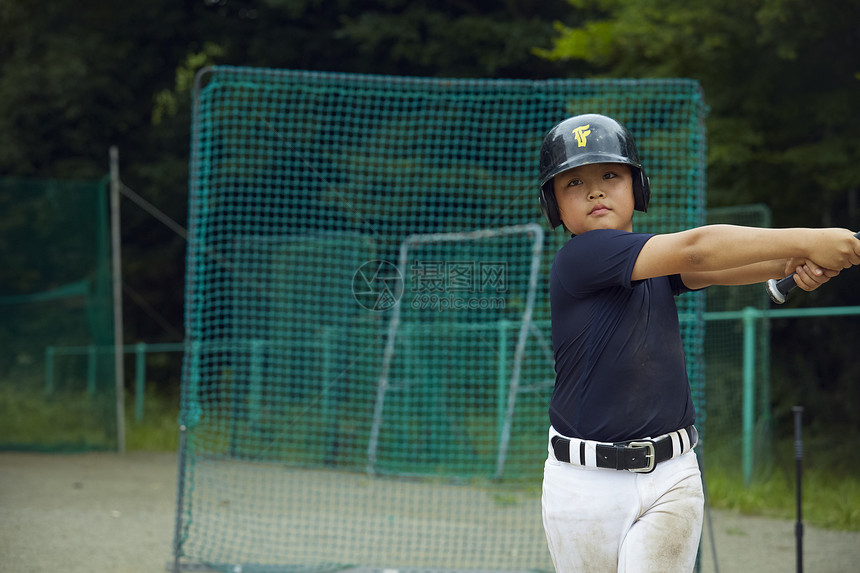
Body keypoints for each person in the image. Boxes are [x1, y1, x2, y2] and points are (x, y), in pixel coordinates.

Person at [537, 113, 860, 573]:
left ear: (637, 187)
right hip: (586, 486)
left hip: (672, 475)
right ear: (555, 207)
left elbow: (714, 268)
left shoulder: (649, 261)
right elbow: (699, 250)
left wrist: (796, 258)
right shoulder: (580, 258)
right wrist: (813, 239)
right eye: (574, 183)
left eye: (610, 174)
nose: (595, 190)